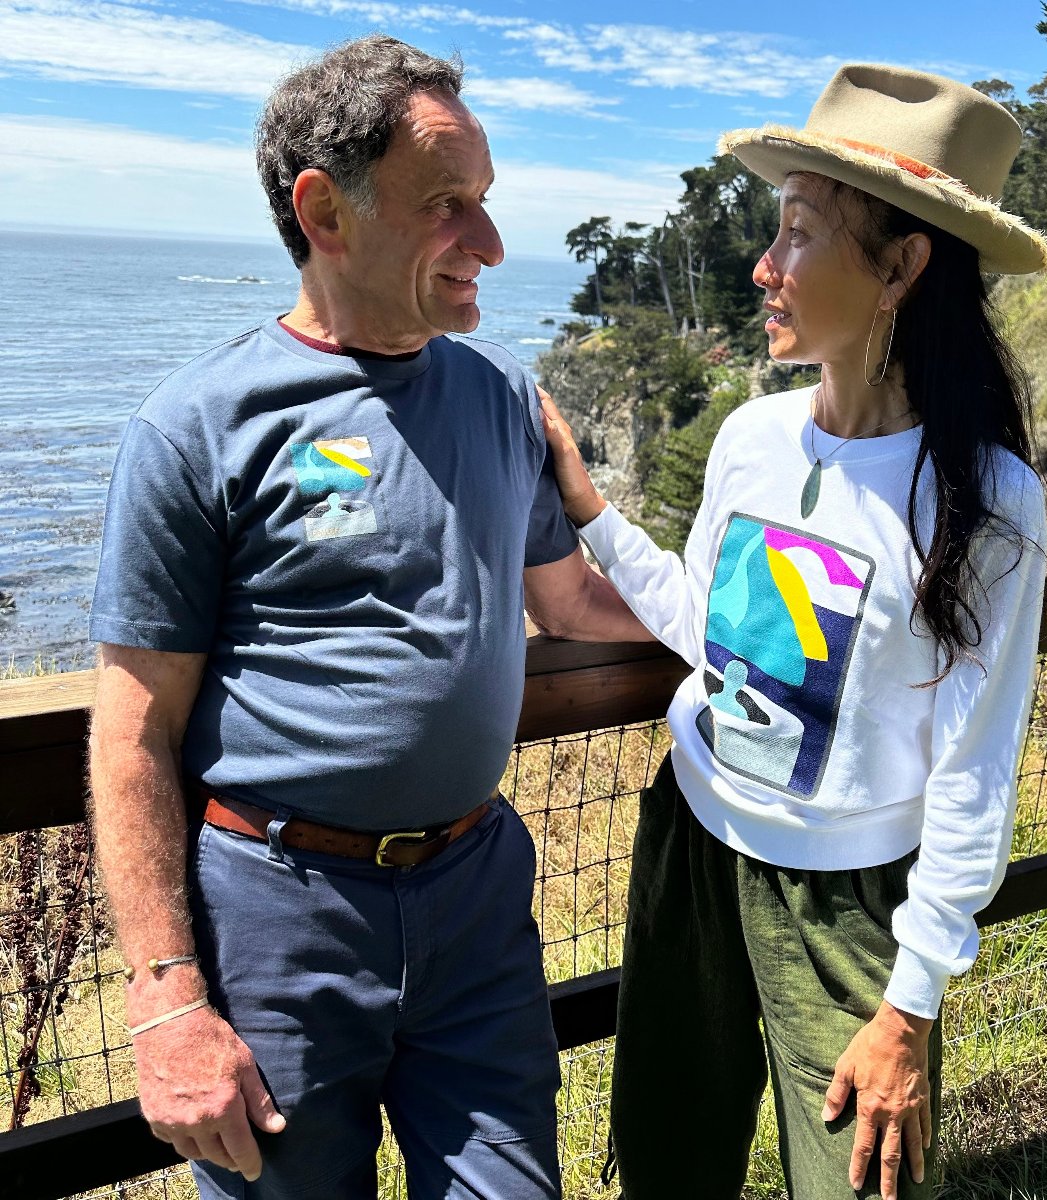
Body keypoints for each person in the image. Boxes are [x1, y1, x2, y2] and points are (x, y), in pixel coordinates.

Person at [87, 35, 650, 1200]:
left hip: (478, 890)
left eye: (487, 203)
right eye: (450, 206)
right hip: (279, 918)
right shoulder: (198, 427)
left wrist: (756, 632)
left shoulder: (498, 392)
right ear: (324, 210)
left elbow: (573, 600)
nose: (490, 246)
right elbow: (133, 730)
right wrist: (165, 1000)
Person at [540, 64, 1047, 1200]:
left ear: (902, 267)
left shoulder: (986, 500)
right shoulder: (754, 437)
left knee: (862, 1183)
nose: (764, 268)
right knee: (673, 1156)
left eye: (800, 235)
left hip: (848, 902)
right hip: (697, 843)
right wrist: (591, 512)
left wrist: (913, 1002)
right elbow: (717, 637)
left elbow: (975, 770)